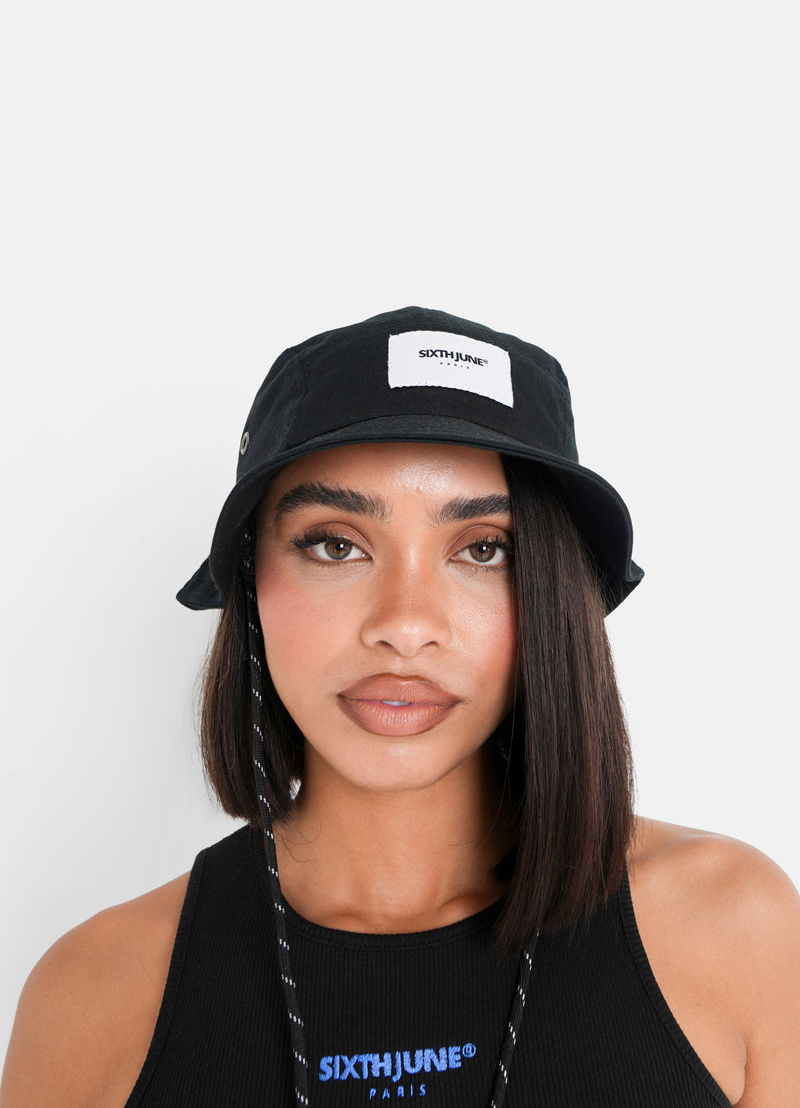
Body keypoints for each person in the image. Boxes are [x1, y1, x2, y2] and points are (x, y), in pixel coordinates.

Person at [2, 306, 799, 1107]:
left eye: (483, 549)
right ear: (250, 583)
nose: (406, 625)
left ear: (555, 592)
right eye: (335, 545)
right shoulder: (95, 998)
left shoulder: (735, 931)